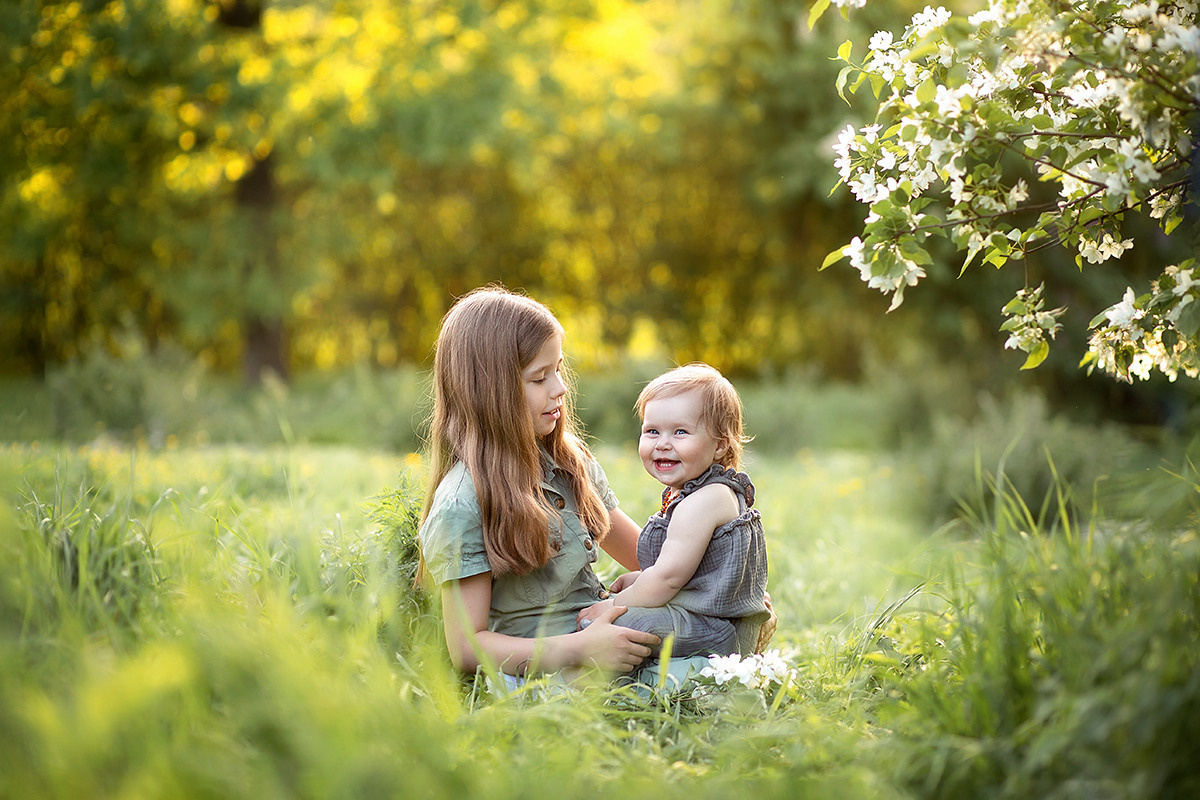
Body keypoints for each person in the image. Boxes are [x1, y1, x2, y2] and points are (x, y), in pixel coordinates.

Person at [417, 286, 663, 679]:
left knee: (715, 642)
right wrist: (582, 649)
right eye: (539, 378)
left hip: (600, 634)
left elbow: (647, 558)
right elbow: (466, 647)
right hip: (544, 674)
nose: (560, 387)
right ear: (491, 392)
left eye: (558, 369)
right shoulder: (463, 503)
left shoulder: (570, 462)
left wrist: (721, 586)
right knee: (693, 675)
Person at [576, 364, 770, 658]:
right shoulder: (698, 492)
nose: (663, 444)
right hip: (701, 617)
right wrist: (641, 579)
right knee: (619, 619)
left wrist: (613, 604)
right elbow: (693, 573)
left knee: (612, 625)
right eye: (652, 431)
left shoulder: (705, 500)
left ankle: (595, 674)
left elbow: (667, 579)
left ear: (719, 445)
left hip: (715, 630)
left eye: (680, 432)